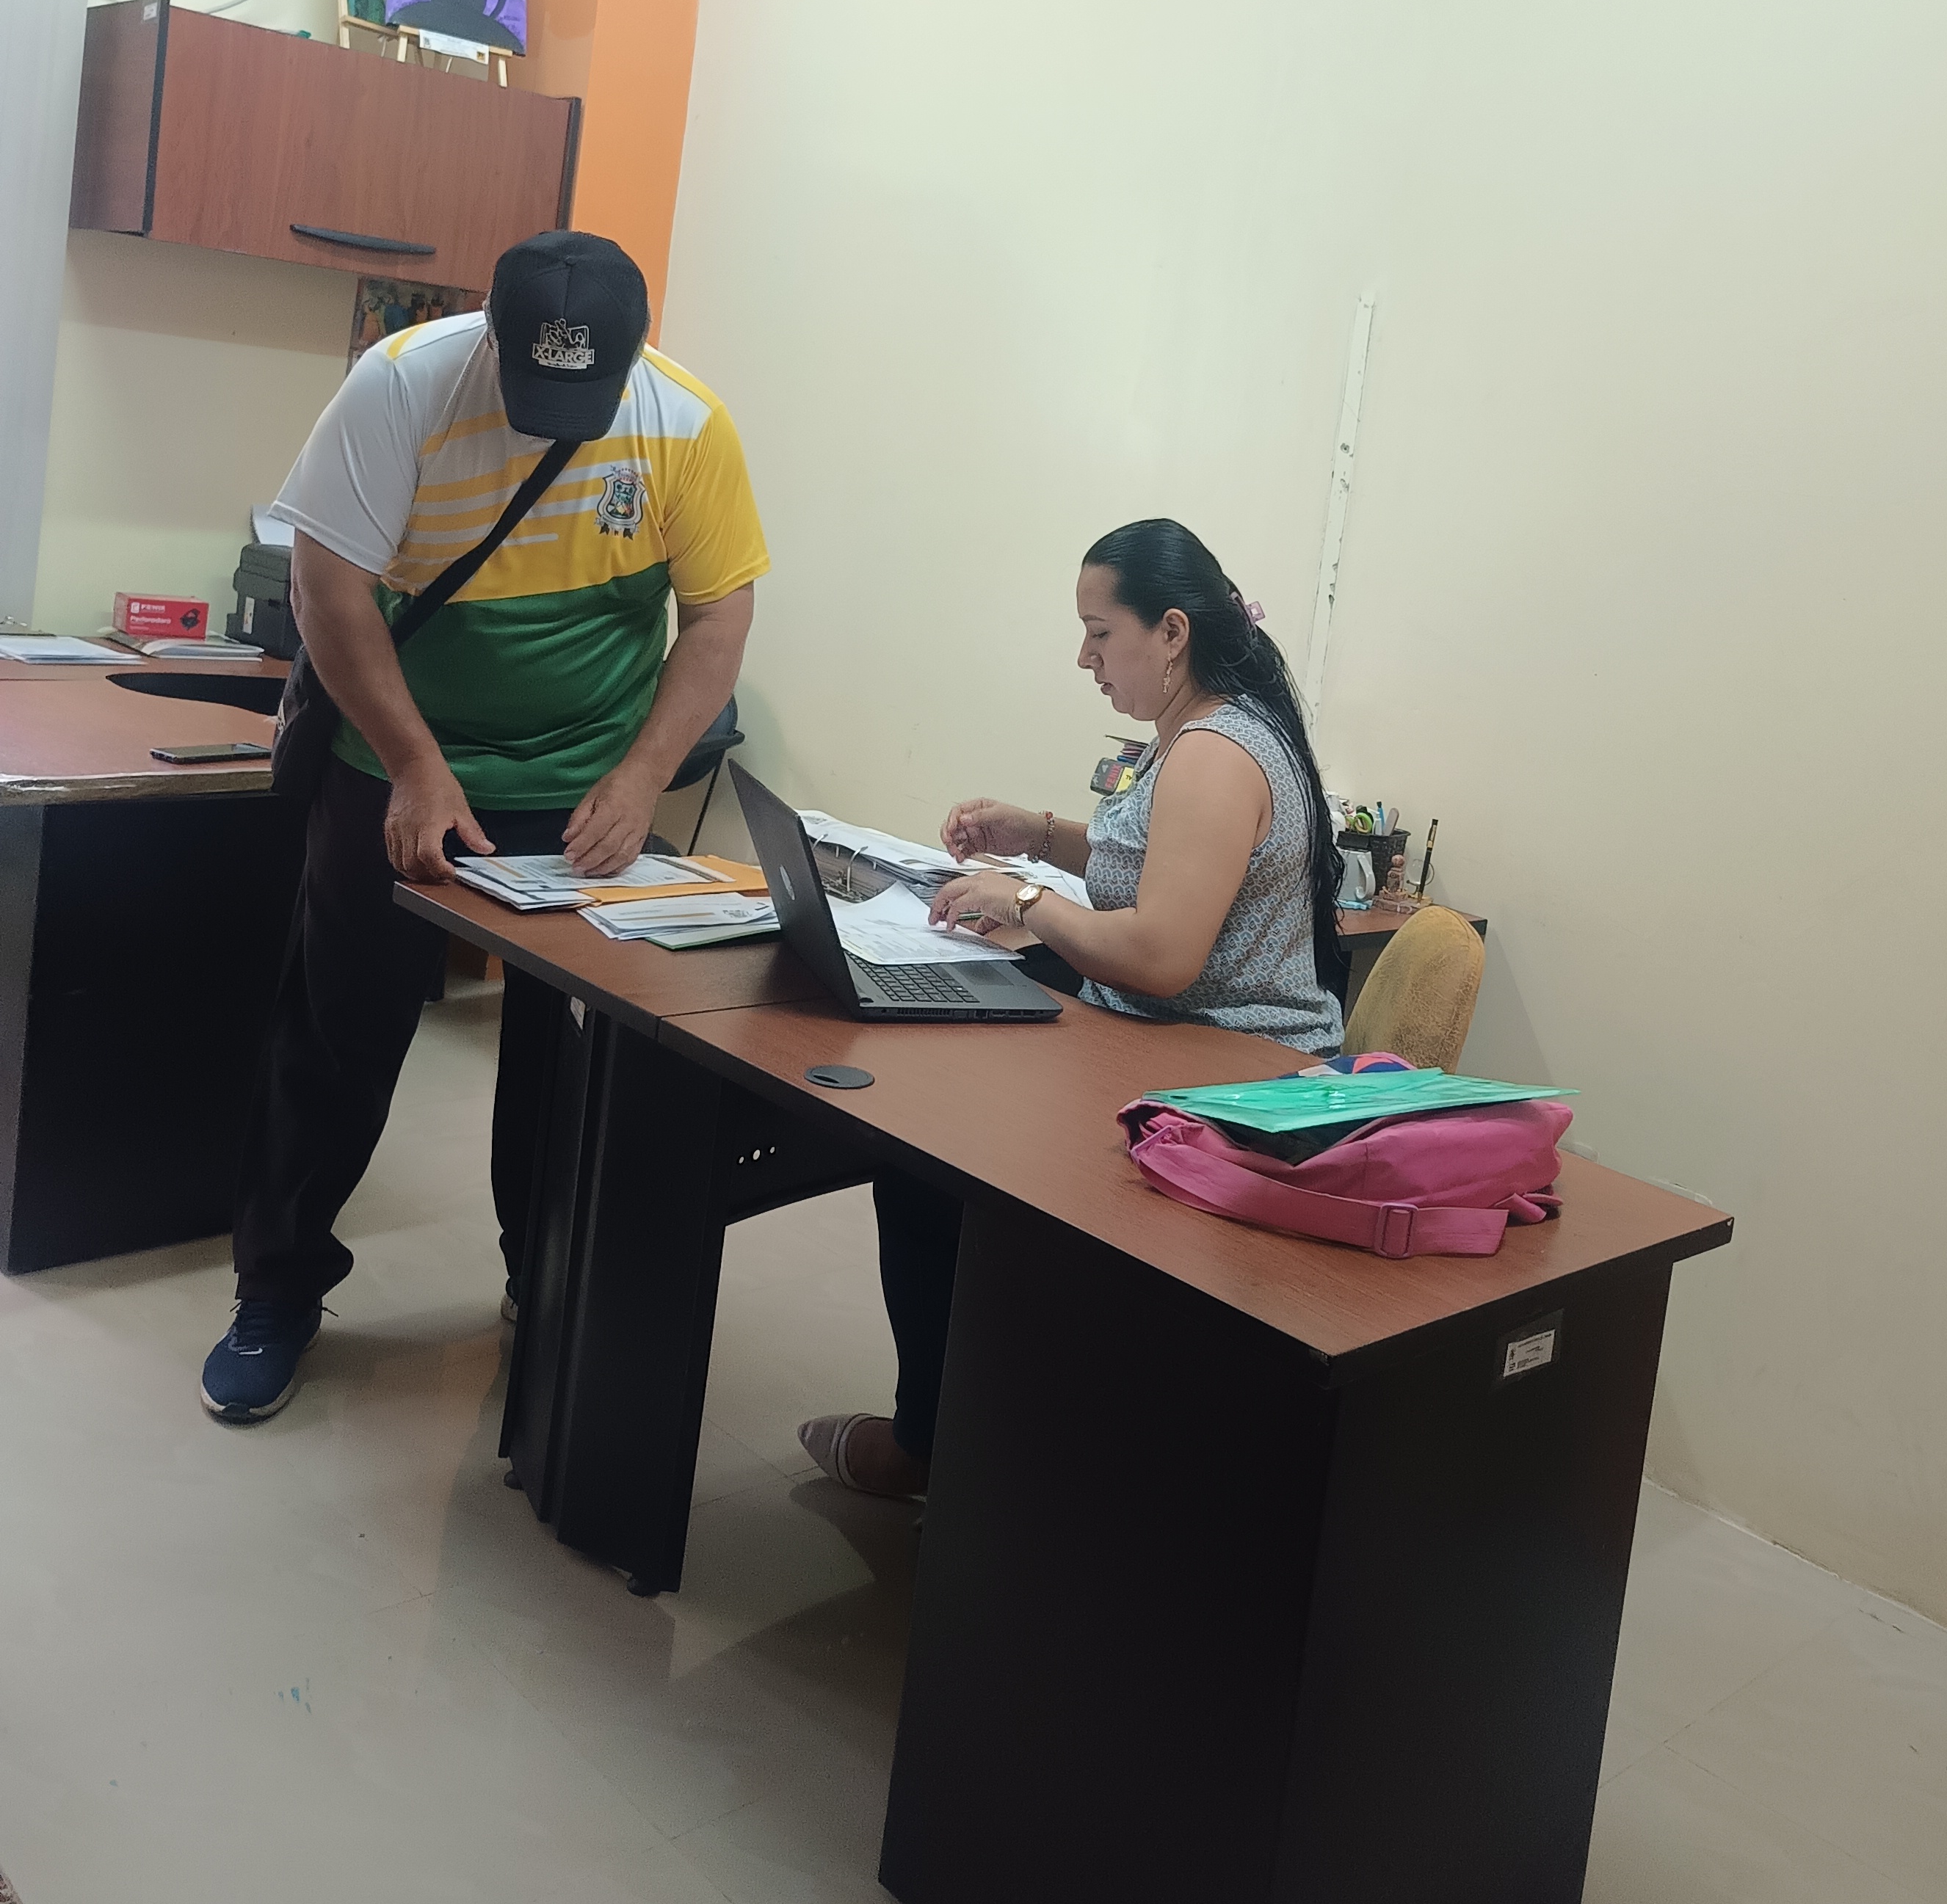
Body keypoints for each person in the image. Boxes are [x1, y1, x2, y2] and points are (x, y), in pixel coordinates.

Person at [201, 231, 768, 1423]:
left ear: (634, 355)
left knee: (568, 1059)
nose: (547, 417)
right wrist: (415, 764)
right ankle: (278, 1289)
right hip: (392, 759)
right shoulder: (401, 385)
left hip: (580, 786)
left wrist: (642, 777)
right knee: (337, 1035)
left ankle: (543, 1282)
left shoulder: (688, 425)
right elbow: (327, 589)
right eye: (529, 384)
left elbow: (719, 615)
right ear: (491, 339)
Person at [798, 515, 1342, 1500]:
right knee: (957, 1119)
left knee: (933, 1175)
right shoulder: (1205, 732)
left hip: (1230, 1080)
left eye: (1099, 633)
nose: (1084, 658)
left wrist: (1027, 902)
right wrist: (1040, 836)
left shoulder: (1216, 752)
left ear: (1171, 633)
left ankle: (935, 1447)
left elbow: (1164, 956)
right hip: (1176, 1052)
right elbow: (1155, 864)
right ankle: (976, 1432)